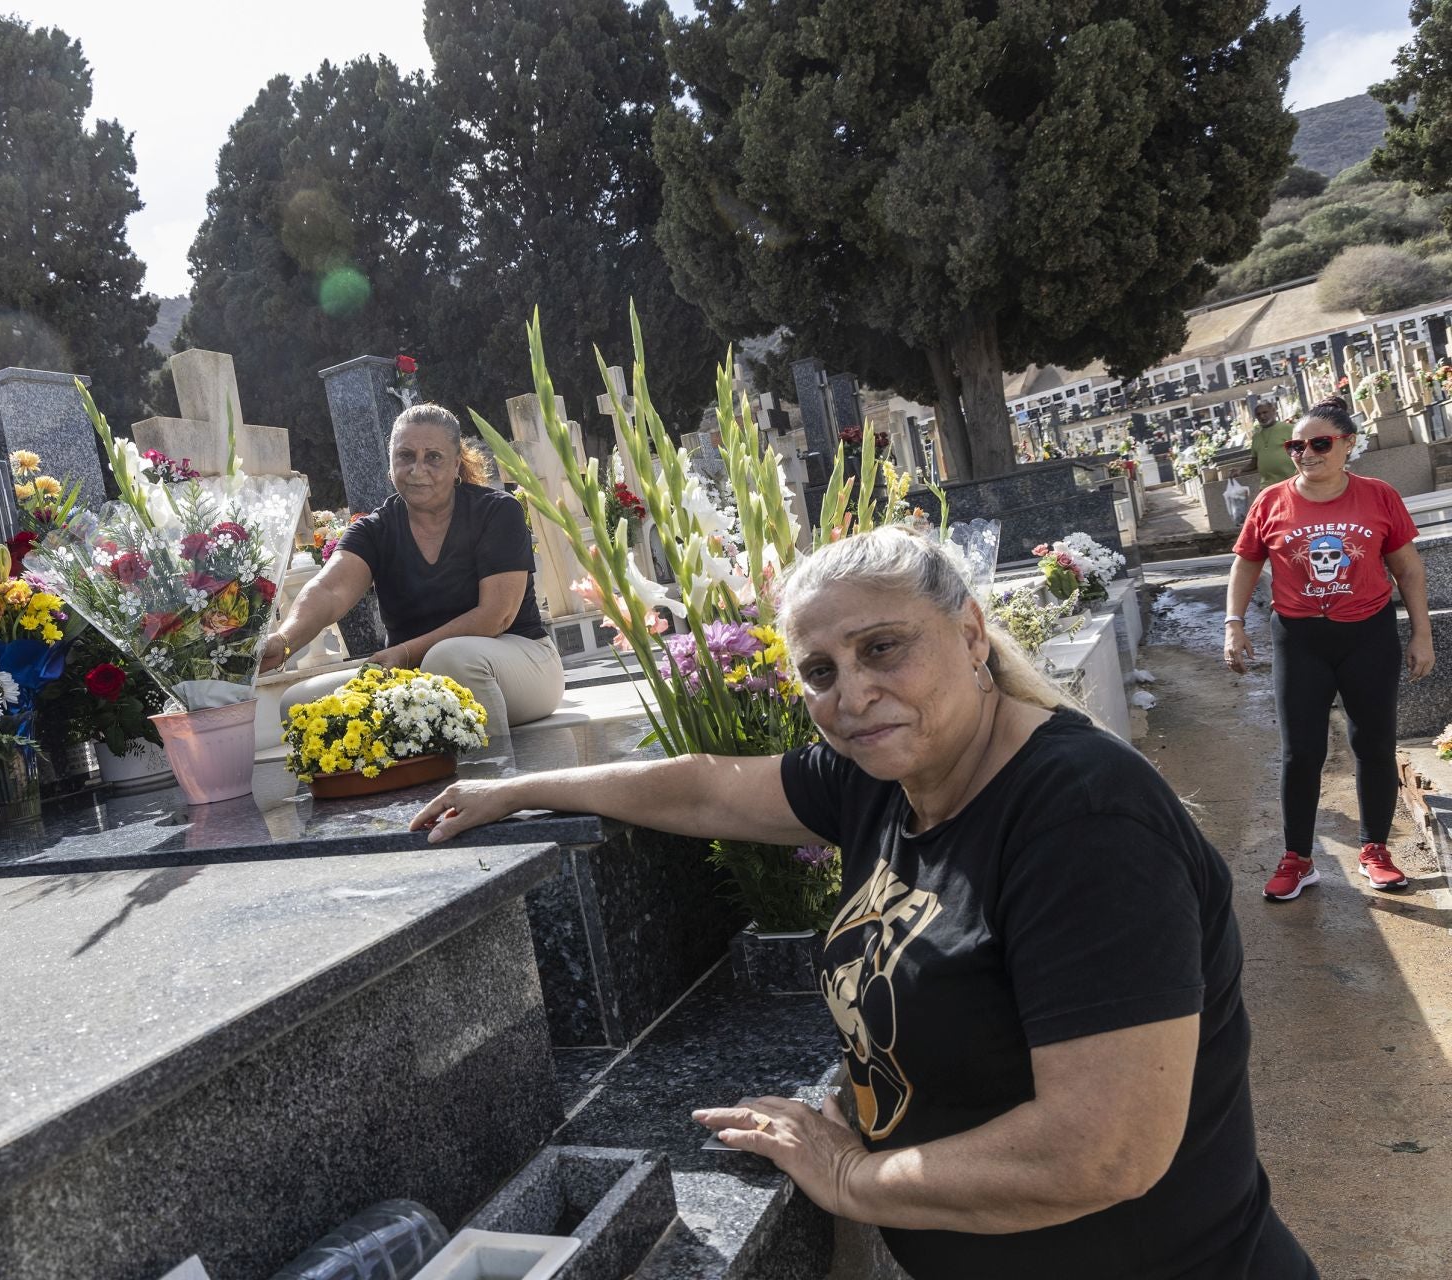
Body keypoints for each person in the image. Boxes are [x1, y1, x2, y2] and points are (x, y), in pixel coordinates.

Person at [413, 526, 1314, 1280]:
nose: (852, 693)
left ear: (969, 634)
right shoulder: (885, 775)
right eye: (819, 671)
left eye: (882, 647)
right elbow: (706, 790)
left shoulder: (1082, 820)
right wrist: (524, 790)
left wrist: (853, 1181)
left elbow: (1102, 1150)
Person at [1224, 396, 1432, 900]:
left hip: (1368, 635)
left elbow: (1407, 569)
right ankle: (1298, 858)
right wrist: (1234, 623)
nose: (1306, 453)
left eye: (1320, 443)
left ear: (1347, 444)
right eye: (1298, 445)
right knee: (1301, 752)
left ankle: (1375, 850)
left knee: (1375, 745)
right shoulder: (1271, 501)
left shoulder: (1378, 495)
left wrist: (1421, 633)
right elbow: (1247, 563)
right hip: (1300, 639)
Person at [261, 404, 564, 738]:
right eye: (406, 456)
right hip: (416, 677)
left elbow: (497, 616)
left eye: (433, 457)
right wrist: (284, 640)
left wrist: (406, 652)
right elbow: (329, 590)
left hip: (518, 661)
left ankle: (491, 781)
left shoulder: (495, 512)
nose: (418, 469)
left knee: (450, 659)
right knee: (300, 703)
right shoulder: (374, 530)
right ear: (391, 466)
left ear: (456, 466)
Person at [1248, 399, 1295, 486]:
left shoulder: (1289, 429)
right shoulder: (1256, 437)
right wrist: (1240, 470)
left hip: (1291, 481)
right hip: (1267, 485)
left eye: (1265, 412)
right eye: (1258, 414)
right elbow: (1254, 463)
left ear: (1273, 411)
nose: (1262, 416)